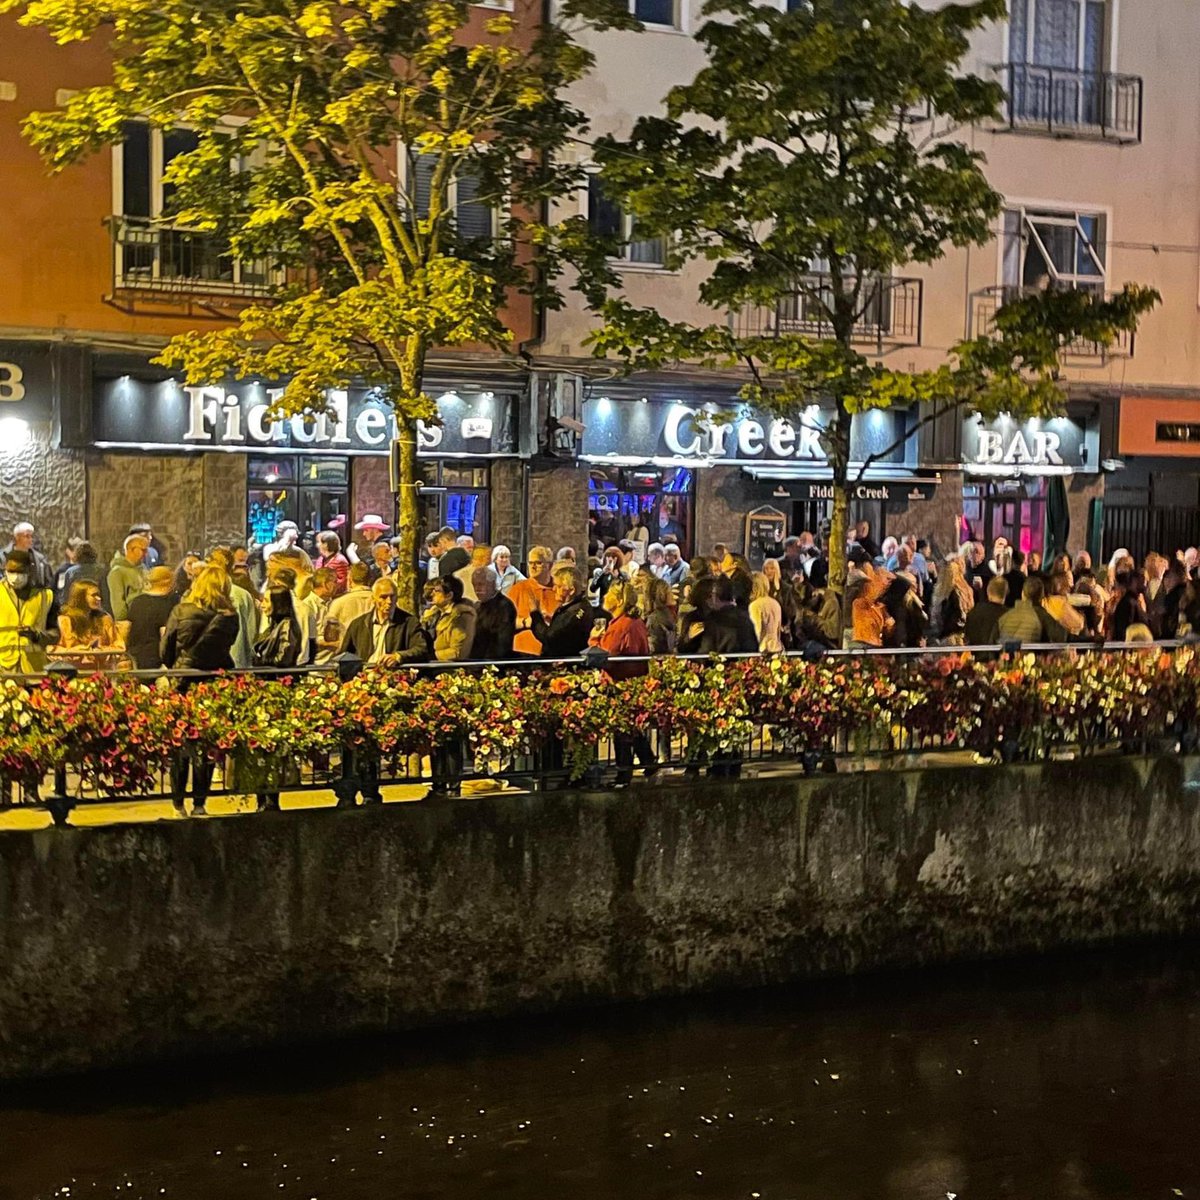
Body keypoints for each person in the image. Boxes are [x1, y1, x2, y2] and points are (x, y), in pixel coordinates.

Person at [589, 581, 657, 784]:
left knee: (622, 730)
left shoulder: (621, 625)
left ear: (619, 600)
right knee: (631, 728)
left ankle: (624, 773)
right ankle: (648, 762)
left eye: (609, 593)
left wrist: (593, 640)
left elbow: (604, 655)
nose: (605, 597)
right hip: (633, 681)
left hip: (620, 682)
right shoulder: (635, 621)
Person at [160, 566, 240, 673]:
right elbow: (230, 643)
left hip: (185, 674)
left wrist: (176, 665)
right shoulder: (230, 616)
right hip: (219, 674)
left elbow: (166, 649)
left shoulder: (181, 611)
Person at [340, 576, 432, 666]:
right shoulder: (358, 624)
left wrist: (399, 656)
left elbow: (421, 649)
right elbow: (344, 655)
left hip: (394, 675)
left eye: (392, 596)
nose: (389, 601)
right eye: (383, 597)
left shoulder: (409, 622)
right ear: (373, 599)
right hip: (364, 676)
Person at [0, 548, 57, 672]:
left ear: (29, 570)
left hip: (34, 670)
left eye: (20, 572)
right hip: (3, 670)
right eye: (11, 571)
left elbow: (56, 633)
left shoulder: (45, 596)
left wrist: (37, 636)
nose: (15, 577)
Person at [531, 564, 602, 659]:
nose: (553, 589)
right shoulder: (579, 606)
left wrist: (535, 616)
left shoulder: (574, 612)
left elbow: (550, 638)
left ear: (571, 590)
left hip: (564, 664)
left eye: (558, 586)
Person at [678, 574, 758, 655]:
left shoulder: (717, 619)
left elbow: (706, 652)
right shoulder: (693, 618)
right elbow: (681, 647)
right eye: (709, 596)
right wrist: (688, 638)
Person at [52, 579, 124, 666]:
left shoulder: (105, 618)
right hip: (73, 669)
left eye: (99, 595)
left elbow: (119, 647)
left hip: (101, 670)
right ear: (80, 597)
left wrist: (100, 651)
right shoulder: (64, 620)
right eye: (94, 595)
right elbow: (53, 649)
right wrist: (74, 651)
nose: (99, 598)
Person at [124, 566, 177, 670]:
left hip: (136, 656)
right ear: (167, 581)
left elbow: (127, 628)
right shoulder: (169, 603)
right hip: (157, 659)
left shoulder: (137, 601)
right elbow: (165, 634)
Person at [510, 547, 558, 656]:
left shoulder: (558, 590)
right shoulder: (518, 589)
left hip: (550, 651)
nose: (533, 566)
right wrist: (524, 622)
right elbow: (505, 623)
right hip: (522, 652)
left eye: (538, 563)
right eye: (530, 563)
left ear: (550, 565)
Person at [997, 576, 1069, 645]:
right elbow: (1061, 636)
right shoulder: (1044, 617)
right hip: (1034, 656)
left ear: (1022, 594)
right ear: (1042, 597)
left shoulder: (1007, 616)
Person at [424, 574, 476, 662]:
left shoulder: (462, 616)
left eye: (436, 591)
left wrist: (429, 656)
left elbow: (458, 652)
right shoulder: (433, 614)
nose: (431, 594)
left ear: (449, 595)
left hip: (450, 670)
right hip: (432, 666)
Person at [469, 567, 516, 661]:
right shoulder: (476, 606)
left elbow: (501, 643)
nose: (477, 589)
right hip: (475, 661)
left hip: (493, 664)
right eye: (474, 585)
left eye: (481, 584)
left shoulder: (504, 606)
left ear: (492, 584)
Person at [253, 584, 303, 669]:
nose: (262, 605)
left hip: (278, 678)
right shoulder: (275, 625)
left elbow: (283, 659)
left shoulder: (287, 625)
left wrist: (259, 661)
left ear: (278, 603)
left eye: (266, 601)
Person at [107, 533, 149, 622]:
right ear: (130, 550)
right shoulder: (117, 572)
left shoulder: (143, 569)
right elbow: (118, 604)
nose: (146, 554)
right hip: (131, 623)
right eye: (143, 550)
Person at [930, 557, 973, 645]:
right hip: (964, 634)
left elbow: (949, 619)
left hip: (950, 637)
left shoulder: (951, 594)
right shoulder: (965, 590)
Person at [849, 566, 893, 651]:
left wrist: (890, 626)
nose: (883, 589)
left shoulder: (881, 607)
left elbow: (887, 632)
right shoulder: (859, 603)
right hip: (862, 646)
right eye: (880, 585)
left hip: (877, 646)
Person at [59, 541, 110, 613]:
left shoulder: (70, 572)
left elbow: (66, 597)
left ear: (77, 555)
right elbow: (105, 596)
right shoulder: (102, 571)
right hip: (96, 610)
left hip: (77, 611)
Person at [881, 573, 927, 649]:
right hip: (907, 645)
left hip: (902, 644)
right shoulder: (908, 603)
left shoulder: (913, 603)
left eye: (915, 583)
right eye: (912, 583)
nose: (915, 586)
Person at [4, 523, 54, 592]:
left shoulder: (40, 561)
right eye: (27, 536)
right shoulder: (3, 557)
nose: (30, 539)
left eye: (31, 536)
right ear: (17, 537)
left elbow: (49, 584)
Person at [327, 562, 376, 632]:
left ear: (350, 580)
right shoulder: (380, 600)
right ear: (370, 580)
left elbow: (330, 635)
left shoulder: (338, 603)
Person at [962, 576, 1009, 645]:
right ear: (1006, 593)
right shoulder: (1009, 616)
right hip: (999, 655)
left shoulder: (974, 612)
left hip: (976, 654)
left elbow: (967, 638)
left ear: (988, 591)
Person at [749, 571, 784, 653]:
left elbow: (757, 630)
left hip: (763, 651)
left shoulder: (755, 605)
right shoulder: (775, 603)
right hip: (777, 648)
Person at [1042, 572, 1085, 638]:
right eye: (1065, 584)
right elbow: (1079, 623)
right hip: (1061, 640)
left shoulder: (1044, 601)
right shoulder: (1060, 602)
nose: (1068, 588)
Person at [643, 576, 677, 655]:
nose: (672, 594)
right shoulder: (655, 619)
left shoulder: (669, 614)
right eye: (669, 592)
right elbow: (657, 648)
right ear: (661, 595)